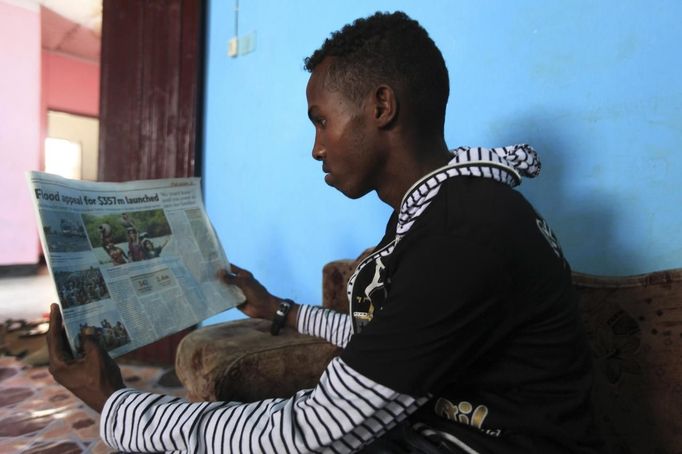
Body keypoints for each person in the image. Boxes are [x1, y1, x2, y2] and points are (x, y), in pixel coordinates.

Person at [47, 11, 603, 453]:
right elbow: (396, 348)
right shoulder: (448, 212)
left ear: (381, 106)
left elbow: (317, 431)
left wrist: (117, 404)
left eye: (320, 120)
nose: (316, 147)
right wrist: (283, 312)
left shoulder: (462, 234)